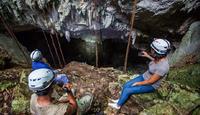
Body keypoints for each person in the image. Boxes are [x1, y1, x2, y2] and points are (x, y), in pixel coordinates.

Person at [108, 39, 171, 109]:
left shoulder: (163, 68)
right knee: (126, 85)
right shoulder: (159, 59)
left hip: (151, 85)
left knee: (127, 90)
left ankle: (118, 105)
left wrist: (138, 83)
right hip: (144, 76)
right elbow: (156, 62)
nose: (151, 50)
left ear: (158, 52)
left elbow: (150, 81)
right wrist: (147, 56)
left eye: (153, 50)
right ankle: (120, 100)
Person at [28, 68, 93, 115]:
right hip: (60, 110)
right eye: (53, 82)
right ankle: (82, 108)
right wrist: (68, 92)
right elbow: (74, 106)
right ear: (51, 87)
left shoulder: (33, 97)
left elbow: (33, 112)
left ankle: (67, 98)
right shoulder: (58, 111)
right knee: (79, 104)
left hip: (51, 106)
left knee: (72, 91)